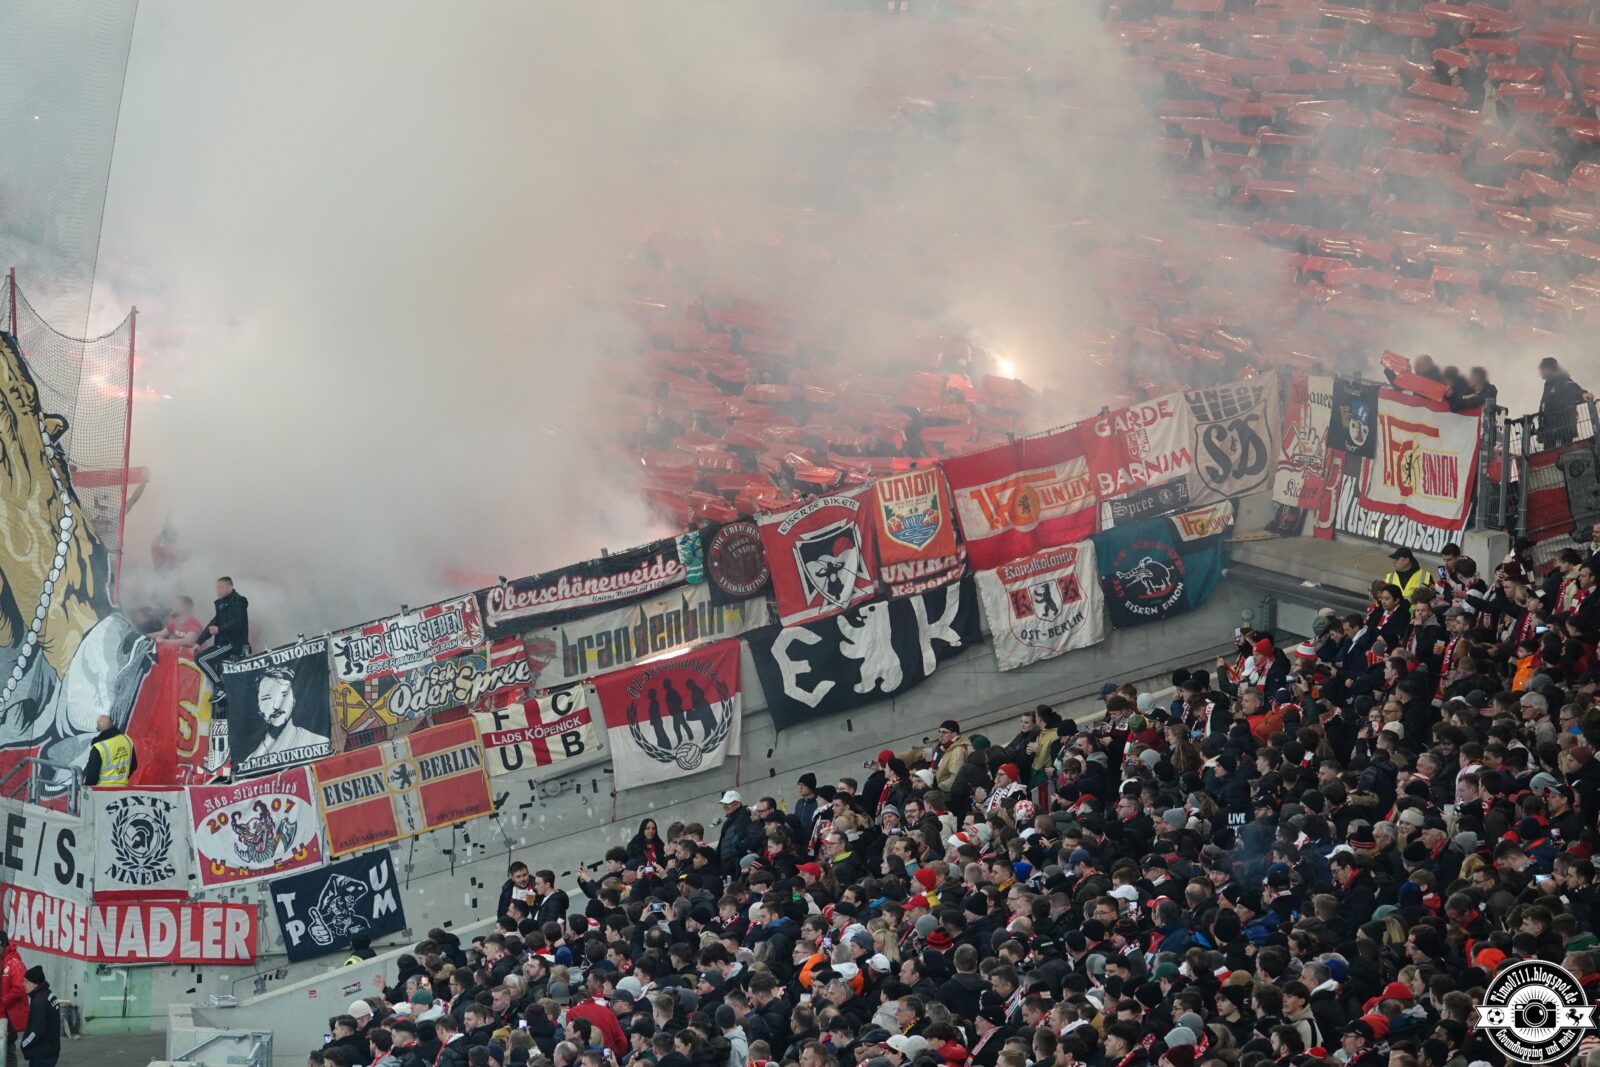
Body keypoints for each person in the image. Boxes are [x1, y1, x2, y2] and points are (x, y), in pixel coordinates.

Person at [247, 666, 329, 762]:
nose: (276, 706)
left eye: (284, 695)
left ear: (294, 700)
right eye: (267, 698)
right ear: (258, 706)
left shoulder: (319, 742)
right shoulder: (251, 762)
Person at [195, 576, 251, 692]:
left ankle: (220, 687)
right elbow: (213, 624)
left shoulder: (238, 601)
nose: (218, 590)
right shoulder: (222, 604)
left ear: (230, 587)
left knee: (201, 659)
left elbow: (238, 622)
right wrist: (198, 642)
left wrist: (220, 629)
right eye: (217, 588)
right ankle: (222, 691)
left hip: (233, 645)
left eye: (222, 587)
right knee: (203, 660)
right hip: (223, 644)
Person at [1537, 357, 1589, 448]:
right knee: (1551, 457)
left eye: (1542, 369)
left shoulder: (1562, 380)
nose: (1540, 372)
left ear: (1549, 368)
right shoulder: (1548, 384)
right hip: (1550, 431)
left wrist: (1583, 394)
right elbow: (1544, 406)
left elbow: (1574, 389)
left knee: (1561, 455)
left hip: (1561, 429)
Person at [82, 713, 136, 787]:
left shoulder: (99, 748)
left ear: (98, 729)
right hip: (123, 790)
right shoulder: (127, 739)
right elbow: (134, 765)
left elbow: (92, 777)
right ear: (112, 723)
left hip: (102, 792)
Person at [17, 968, 56, 1067]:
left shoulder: (39, 1002)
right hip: (51, 1050)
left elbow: (37, 1031)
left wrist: (24, 1044)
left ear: (35, 983)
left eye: (26, 982)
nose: (23, 984)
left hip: (41, 1054)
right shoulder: (48, 995)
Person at [0, 935, 22, 1067]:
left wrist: (2, 1001)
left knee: (8, 1050)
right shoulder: (4, 962)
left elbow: (19, 989)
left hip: (7, 1015)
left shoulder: (13, 963)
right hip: (3, 1013)